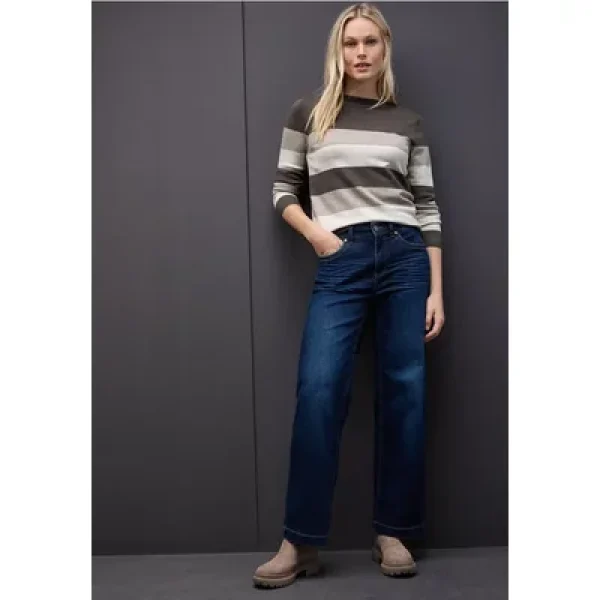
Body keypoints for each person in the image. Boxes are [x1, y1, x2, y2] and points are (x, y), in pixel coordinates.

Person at [253, 2, 445, 589]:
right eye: (350, 42)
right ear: (337, 50)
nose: (360, 52)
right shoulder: (309, 111)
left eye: (370, 42)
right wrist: (321, 238)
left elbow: (427, 207)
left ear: (385, 49)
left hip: (405, 257)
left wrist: (437, 289)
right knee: (319, 390)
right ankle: (300, 542)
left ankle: (394, 531)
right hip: (343, 257)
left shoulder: (407, 121)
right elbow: (283, 190)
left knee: (405, 395)